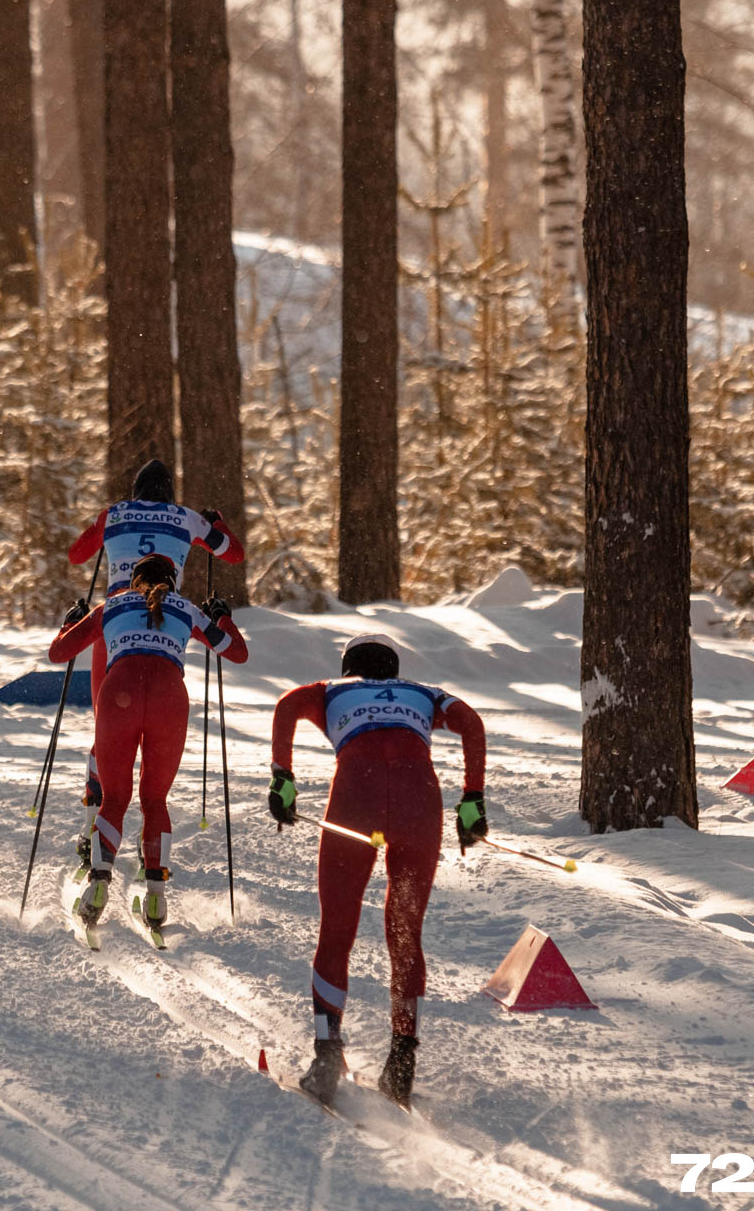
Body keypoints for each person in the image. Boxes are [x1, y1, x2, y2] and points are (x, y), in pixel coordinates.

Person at [267, 633, 488, 1108]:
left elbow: (286, 706)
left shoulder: (330, 689)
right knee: (405, 932)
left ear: (350, 666)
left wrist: (282, 777)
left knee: (338, 928)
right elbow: (470, 721)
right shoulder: (426, 693)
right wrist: (473, 798)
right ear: (395, 667)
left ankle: (327, 1057)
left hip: (355, 800)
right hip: (418, 804)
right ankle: (401, 1064)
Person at [48, 553, 249, 931]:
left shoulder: (112, 605)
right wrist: (221, 616)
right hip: (168, 699)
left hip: (118, 693)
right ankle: (156, 898)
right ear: (172, 581)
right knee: (155, 799)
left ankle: (97, 887)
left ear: (132, 580)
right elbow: (237, 652)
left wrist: (71, 622)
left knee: (114, 799)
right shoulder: (187, 610)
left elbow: (59, 652)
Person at [65, 459, 245, 865]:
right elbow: (234, 554)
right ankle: (151, 867)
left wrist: (102, 527)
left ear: (134, 490)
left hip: (113, 623)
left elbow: (78, 555)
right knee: (156, 746)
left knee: (105, 724)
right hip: (167, 623)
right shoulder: (188, 519)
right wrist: (217, 525)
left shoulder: (115, 513)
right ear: (171, 494)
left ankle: (94, 820)